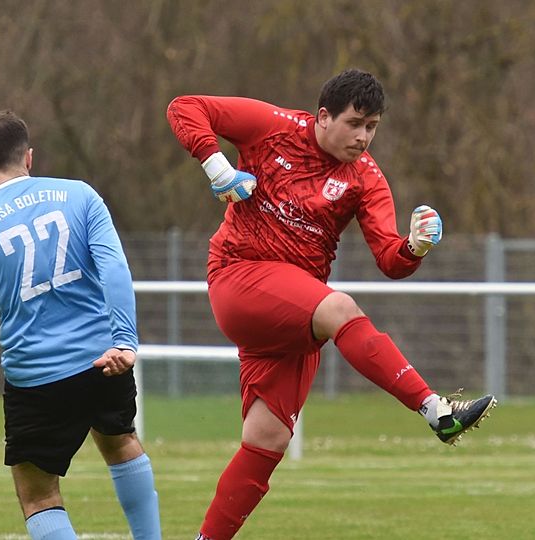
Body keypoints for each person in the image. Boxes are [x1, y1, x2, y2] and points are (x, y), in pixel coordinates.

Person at [166, 68, 497, 540]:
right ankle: (435, 410)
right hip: (240, 276)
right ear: (323, 117)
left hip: (294, 309)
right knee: (340, 308)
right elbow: (185, 107)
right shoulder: (273, 126)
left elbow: (390, 260)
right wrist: (217, 168)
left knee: (267, 441)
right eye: (354, 123)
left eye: (372, 127)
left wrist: (414, 247)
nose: (363, 137)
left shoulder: (366, 178)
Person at [0, 111, 161, 540]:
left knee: (38, 495)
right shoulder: (80, 195)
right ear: (28, 157)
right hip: (103, 358)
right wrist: (125, 340)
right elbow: (114, 269)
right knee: (121, 443)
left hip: (37, 377)